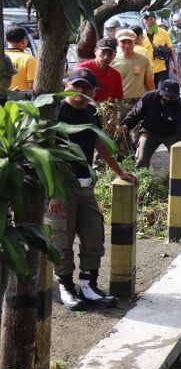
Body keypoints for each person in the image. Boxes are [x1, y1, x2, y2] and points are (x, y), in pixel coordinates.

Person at [47, 68, 138, 311]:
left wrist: (119, 172)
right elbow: (45, 154)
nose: (81, 92)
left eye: (86, 88)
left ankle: (88, 285)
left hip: (85, 185)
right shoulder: (56, 111)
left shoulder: (90, 112)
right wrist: (54, 191)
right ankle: (66, 286)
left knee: (93, 237)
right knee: (62, 240)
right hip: (61, 188)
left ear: (94, 91)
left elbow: (99, 143)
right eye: (76, 86)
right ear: (67, 84)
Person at [120, 80, 181, 168]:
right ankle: (141, 179)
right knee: (141, 160)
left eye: (173, 97)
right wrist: (126, 124)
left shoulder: (178, 105)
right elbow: (136, 112)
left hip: (171, 134)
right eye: (167, 96)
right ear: (161, 93)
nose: (170, 99)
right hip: (150, 132)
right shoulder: (149, 97)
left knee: (180, 159)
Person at [76, 37, 124, 102]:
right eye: (103, 53)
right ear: (95, 51)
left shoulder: (116, 75)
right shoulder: (82, 68)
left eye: (110, 54)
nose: (106, 57)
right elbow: (71, 93)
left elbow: (116, 100)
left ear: (114, 56)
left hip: (105, 110)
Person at [142, 11, 179, 87]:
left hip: (162, 69)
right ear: (143, 21)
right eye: (146, 19)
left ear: (155, 20)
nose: (149, 21)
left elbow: (171, 50)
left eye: (151, 19)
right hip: (147, 71)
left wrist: (175, 66)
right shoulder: (141, 35)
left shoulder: (164, 33)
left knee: (161, 92)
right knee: (150, 94)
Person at [5, 25, 36, 92]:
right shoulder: (29, 59)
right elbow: (32, 86)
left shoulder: (2, 57)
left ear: (6, 39)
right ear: (23, 40)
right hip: (20, 101)